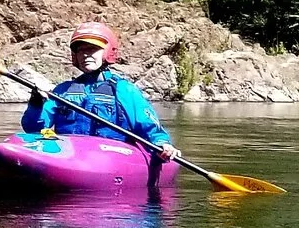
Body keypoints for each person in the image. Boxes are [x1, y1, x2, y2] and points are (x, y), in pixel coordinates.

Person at [12, 22, 177, 160]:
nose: (85, 55)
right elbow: (33, 129)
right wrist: (36, 105)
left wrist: (162, 144)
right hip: (69, 156)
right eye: (81, 50)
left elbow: (149, 126)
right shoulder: (63, 91)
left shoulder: (124, 90)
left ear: (107, 52)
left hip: (111, 157)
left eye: (92, 49)